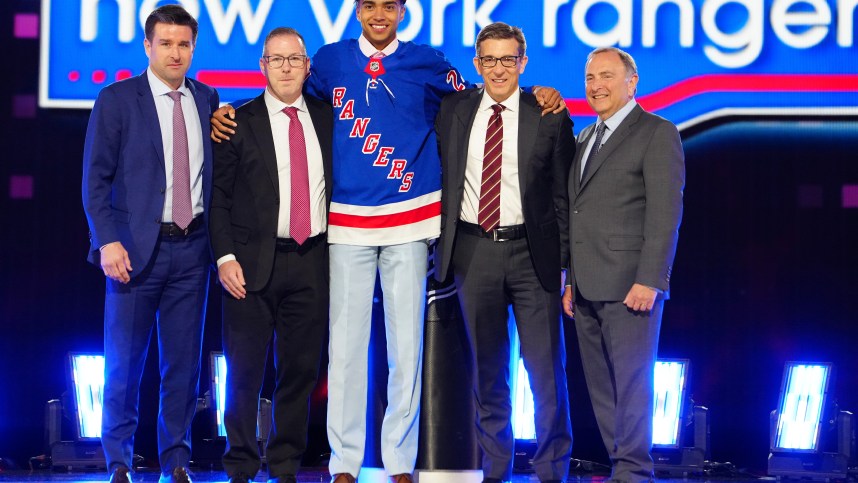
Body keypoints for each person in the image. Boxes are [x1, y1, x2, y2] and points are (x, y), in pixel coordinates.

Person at [210, 3, 564, 482]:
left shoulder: (429, 62)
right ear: (358, 10)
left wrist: (538, 91)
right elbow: (283, 97)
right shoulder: (330, 60)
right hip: (348, 224)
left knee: (406, 351)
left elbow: (483, 95)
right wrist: (230, 111)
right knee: (347, 350)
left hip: (412, 222)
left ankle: (399, 461)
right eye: (370, 5)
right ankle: (345, 462)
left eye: (389, 5)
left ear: (401, 11)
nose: (380, 14)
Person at [81, 5, 219, 483]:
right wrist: (107, 242)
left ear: (193, 47)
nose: (175, 52)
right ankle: (118, 461)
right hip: (133, 254)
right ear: (148, 46)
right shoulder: (117, 100)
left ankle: (176, 461)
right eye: (166, 43)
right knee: (123, 367)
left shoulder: (206, 97)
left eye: (183, 44)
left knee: (182, 368)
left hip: (192, 251)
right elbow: (94, 182)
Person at [434, 22, 574, 483]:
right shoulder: (453, 110)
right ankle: (495, 470)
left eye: (507, 59)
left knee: (545, 372)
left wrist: (568, 267)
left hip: (534, 255)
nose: (498, 68)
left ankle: (551, 470)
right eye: (489, 59)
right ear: (477, 64)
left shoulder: (549, 113)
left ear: (523, 63)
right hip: (473, 253)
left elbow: (563, 196)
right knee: (488, 373)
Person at [209, 27, 333, 483]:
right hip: (248, 265)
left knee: (299, 374)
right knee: (243, 375)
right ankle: (240, 465)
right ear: (262, 66)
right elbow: (217, 198)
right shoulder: (236, 121)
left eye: (294, 59)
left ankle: (284, 466)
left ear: (306, 67)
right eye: (276, 59)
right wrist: (224, 258)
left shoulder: (328, 117)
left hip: (311, 262)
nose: (285, 67)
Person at [561, 47, 685, 483]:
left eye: (607, 76)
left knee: (632, 384)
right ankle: (622, 468)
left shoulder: (656, 132)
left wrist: (650, 279)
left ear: (632, 82)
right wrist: (570, 281)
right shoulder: (585, 137)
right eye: (590, 77)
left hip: (631, 286)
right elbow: (579, 213)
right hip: (587, 286)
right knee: (601, 386)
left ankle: (634, 472)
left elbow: (665, 214)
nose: (596, 85)